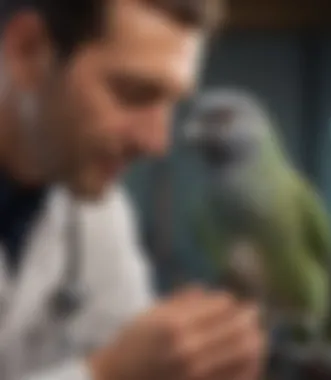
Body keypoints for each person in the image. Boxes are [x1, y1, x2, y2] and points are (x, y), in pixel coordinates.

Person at [0, 1, 266, 380]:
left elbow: (133, 346)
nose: (157, 142)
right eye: (134, 93)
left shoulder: (99, 212)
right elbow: (121, 365)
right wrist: (107, 373)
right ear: (27, 52)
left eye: (171, 103)